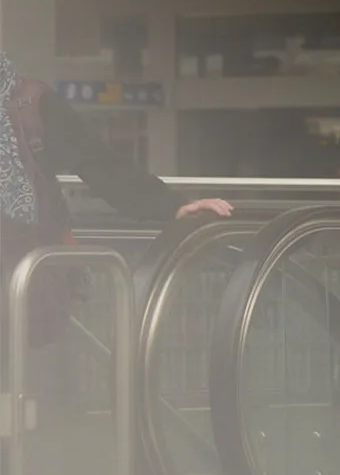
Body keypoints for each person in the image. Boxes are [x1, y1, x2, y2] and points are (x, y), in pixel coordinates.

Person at [0, 53, 231, 353]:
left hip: (21, 277)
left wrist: (171, 205)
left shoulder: (30, 103)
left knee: (28, 376)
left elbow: (98, 162)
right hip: (20, 277)